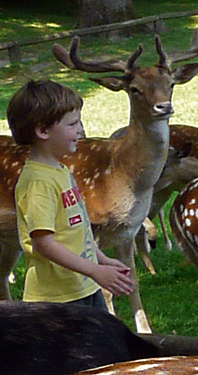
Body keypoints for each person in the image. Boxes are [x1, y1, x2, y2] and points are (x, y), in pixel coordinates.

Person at [8, 79, 135, 308]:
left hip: (83, 286)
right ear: (43, 131)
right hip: (58, 300)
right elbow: (44, 244)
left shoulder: (59, 169)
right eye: (72, 124)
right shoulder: (39, 182)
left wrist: (101, 259)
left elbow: (76, 232)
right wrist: (95, 270)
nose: (80, 130)